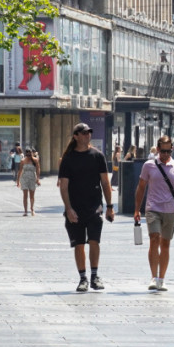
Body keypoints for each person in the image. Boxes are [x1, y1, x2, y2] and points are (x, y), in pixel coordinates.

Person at [58, 123, 115, 293]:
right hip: (75, 208)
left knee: (94, 241)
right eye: (83, 133)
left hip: (94, 207)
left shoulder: (97, 156)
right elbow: (64, 186)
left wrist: (110, 206)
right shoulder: (68, 158)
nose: (87, 135)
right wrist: (68, 208)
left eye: (89, 132)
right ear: (75, 136)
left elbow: (105, 182)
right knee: (79, 244)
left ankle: (94, 276)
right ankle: (82, 278)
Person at [134, 136, 174, 292]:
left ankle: (161, 279)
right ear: (157, 149)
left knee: (165, 243)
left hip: (170, 209)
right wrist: (137, 209)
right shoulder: (148, 166)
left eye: (168, 151)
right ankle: (153, 277)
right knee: (154, 238)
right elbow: (141, 187)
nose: (165, 154)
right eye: (163, 151)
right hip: (153, 208)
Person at [16, 148, 40, 216]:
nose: (29, 156)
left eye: (30, 154)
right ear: (26, 154)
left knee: (32, 195)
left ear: (32, 154)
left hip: (32, 178)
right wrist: (18, 180)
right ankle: (25, 211)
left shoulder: (35, 160)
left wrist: (38, 179)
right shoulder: (23, 161)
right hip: (24, 178)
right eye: (27, 155)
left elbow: (38, 169)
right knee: (25, 195)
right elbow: (20, 171)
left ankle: (32, 209)